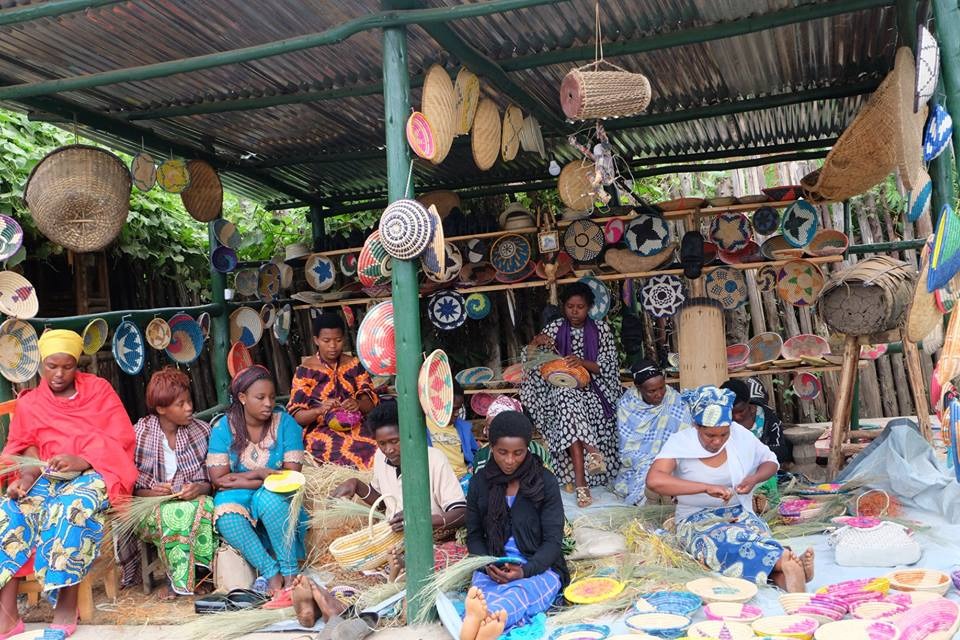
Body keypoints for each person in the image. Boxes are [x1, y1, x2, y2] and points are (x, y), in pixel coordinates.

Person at [0, 330, 138, 638]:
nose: (59, 373)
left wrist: (83, 460)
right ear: (41, 365)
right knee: (9, 510)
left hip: (96, 471)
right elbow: (22, 449)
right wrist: (23, 479)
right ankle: (7, 616)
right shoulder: (31, 403)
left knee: (69, 507)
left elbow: (121, 438)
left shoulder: (98, 391)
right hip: (47, 477)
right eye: (52, 366)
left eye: (67, 366)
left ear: (77, 365)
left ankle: (65, 608)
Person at [646, 386, 813, 592]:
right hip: (696, 520)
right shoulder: (680, 443)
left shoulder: (739, 435)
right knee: (725, 541)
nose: (717, 441)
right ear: (696, 426)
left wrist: (753, 479)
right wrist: (705, 488)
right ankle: (784, 562)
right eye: (710, 435)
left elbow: (770, 461)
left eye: (723, 434)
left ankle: (786, 572)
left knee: (753, 536)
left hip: (739, 513)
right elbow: (654, 480)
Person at [462, 411, 568, 640]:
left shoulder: (544, 482)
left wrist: (525, 571)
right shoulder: (480, 483)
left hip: (538, 566)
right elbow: (474, 536)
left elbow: (553, 542)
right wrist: (487, 565)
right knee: (479, 596)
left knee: (518, 594)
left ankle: (483, 624)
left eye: (518, 453)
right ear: (491, 448)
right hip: (492, 566)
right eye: (502, 452)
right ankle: (480, 623)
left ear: (528, 449)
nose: (510, 460)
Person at [331, 401, 467, 578]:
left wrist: (420, 520)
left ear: (409, 435)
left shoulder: (434, 460)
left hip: (431, 542)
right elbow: (384, 503)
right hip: (394, 544)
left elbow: (462, 512)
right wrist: (356, 485)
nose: (389, 449)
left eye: (395, 441)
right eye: (382, 443)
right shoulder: (380, 457)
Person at [207, 366, 305, 600]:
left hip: (276, 492)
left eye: (271, 397)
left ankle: (290, 573)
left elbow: (290, 477)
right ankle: (271, 572)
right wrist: (262, 475)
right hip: (242, 494)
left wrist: (244, 480)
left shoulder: (286, 424)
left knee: (271, 500)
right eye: (260, 397)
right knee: (225, 514)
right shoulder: (223, 428)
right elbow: (218, 480)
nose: (268, 403)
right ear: (242, 398)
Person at [521, 282, 621, 507]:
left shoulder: (602, 330)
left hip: (594, 393)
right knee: (564, 397)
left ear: (589, 308)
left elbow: (609, 367)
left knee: (567, 409)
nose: (575, 312)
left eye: (580, 307)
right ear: (564, 307)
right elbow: (532, 360)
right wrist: (536, 343)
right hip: (559, 392)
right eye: (570, 306)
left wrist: (582, 363)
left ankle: (580, 485)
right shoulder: (554, 328)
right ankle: (592, 453)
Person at [129, 367, 215, 599]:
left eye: (189, 401)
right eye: (181, 404)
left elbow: (212, 480)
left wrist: (199, 487)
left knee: (205, 507)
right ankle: (176, 580)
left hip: (194, 502)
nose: (189, 408)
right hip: (151, 509)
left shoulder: (202, 431)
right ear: (161, 409)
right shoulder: (140, 434)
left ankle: (201, 576)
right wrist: (153, 493)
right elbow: (131, 487)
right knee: (173, 513)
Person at [288, 313, 379, 469]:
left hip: (356, 426)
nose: (332, 346)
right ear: (316, 340)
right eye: (326, 341)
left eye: (338, 340)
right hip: (320, 430)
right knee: (336, 451)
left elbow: (371, 404)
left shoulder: (354, 364)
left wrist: (357, 403)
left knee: (374, 448)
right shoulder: (305, 371)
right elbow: (296, 416)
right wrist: (319, 410)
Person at [613, 360, 693, 506]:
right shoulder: (627, 405)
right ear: (638, 388)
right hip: (641, 463)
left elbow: (686, 439)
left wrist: (666, 461)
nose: (659, 394)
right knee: (649, 478)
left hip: (672, 459)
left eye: (661, 388)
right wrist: (653, 462)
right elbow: (628, 450)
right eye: (652, 391)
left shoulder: (675, 400)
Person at [472, 396, 552, 475]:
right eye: (490, 428)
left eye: (502, 428)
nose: (494, 434)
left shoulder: (536, 451)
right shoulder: (481, 457)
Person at [721, 378, 793, 464]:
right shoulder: (719, 421)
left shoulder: (768, 419)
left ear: (748, 402)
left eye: (741, 411)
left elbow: (781, 452)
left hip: (763, 469)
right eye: (731, 412)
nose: (736, 417)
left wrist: (753, 451)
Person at [425, 381, 478, 478]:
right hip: (437, 480)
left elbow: (475, 453)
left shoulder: (463, 427)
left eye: (459, 409)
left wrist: (472, 466)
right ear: (438, 404)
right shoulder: (423, 426)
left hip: (463, 478)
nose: (457, 413)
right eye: (453, 409)